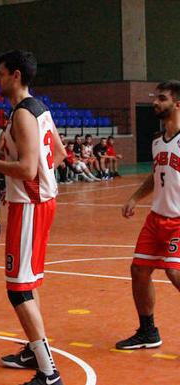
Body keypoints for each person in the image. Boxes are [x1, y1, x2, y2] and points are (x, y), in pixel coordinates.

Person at [0, 50, 66, 385]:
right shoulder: (36, 109)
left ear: (15, 75)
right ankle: (32, 349)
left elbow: (28, 169)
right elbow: (59, 153)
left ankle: (48, 371)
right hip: (39, 202)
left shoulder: (24, 114)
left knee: (18, 290)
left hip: (31, 205)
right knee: (28, 282)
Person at [115, 80, 180, 351]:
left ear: (177, 104)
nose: (156, 102)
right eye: (155, 97)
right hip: (156, 218)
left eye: (161, 98)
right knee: (139, 270)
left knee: (175, 272)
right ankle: (148, 331)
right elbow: (156, 177)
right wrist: (134, 198)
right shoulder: (157, 140)